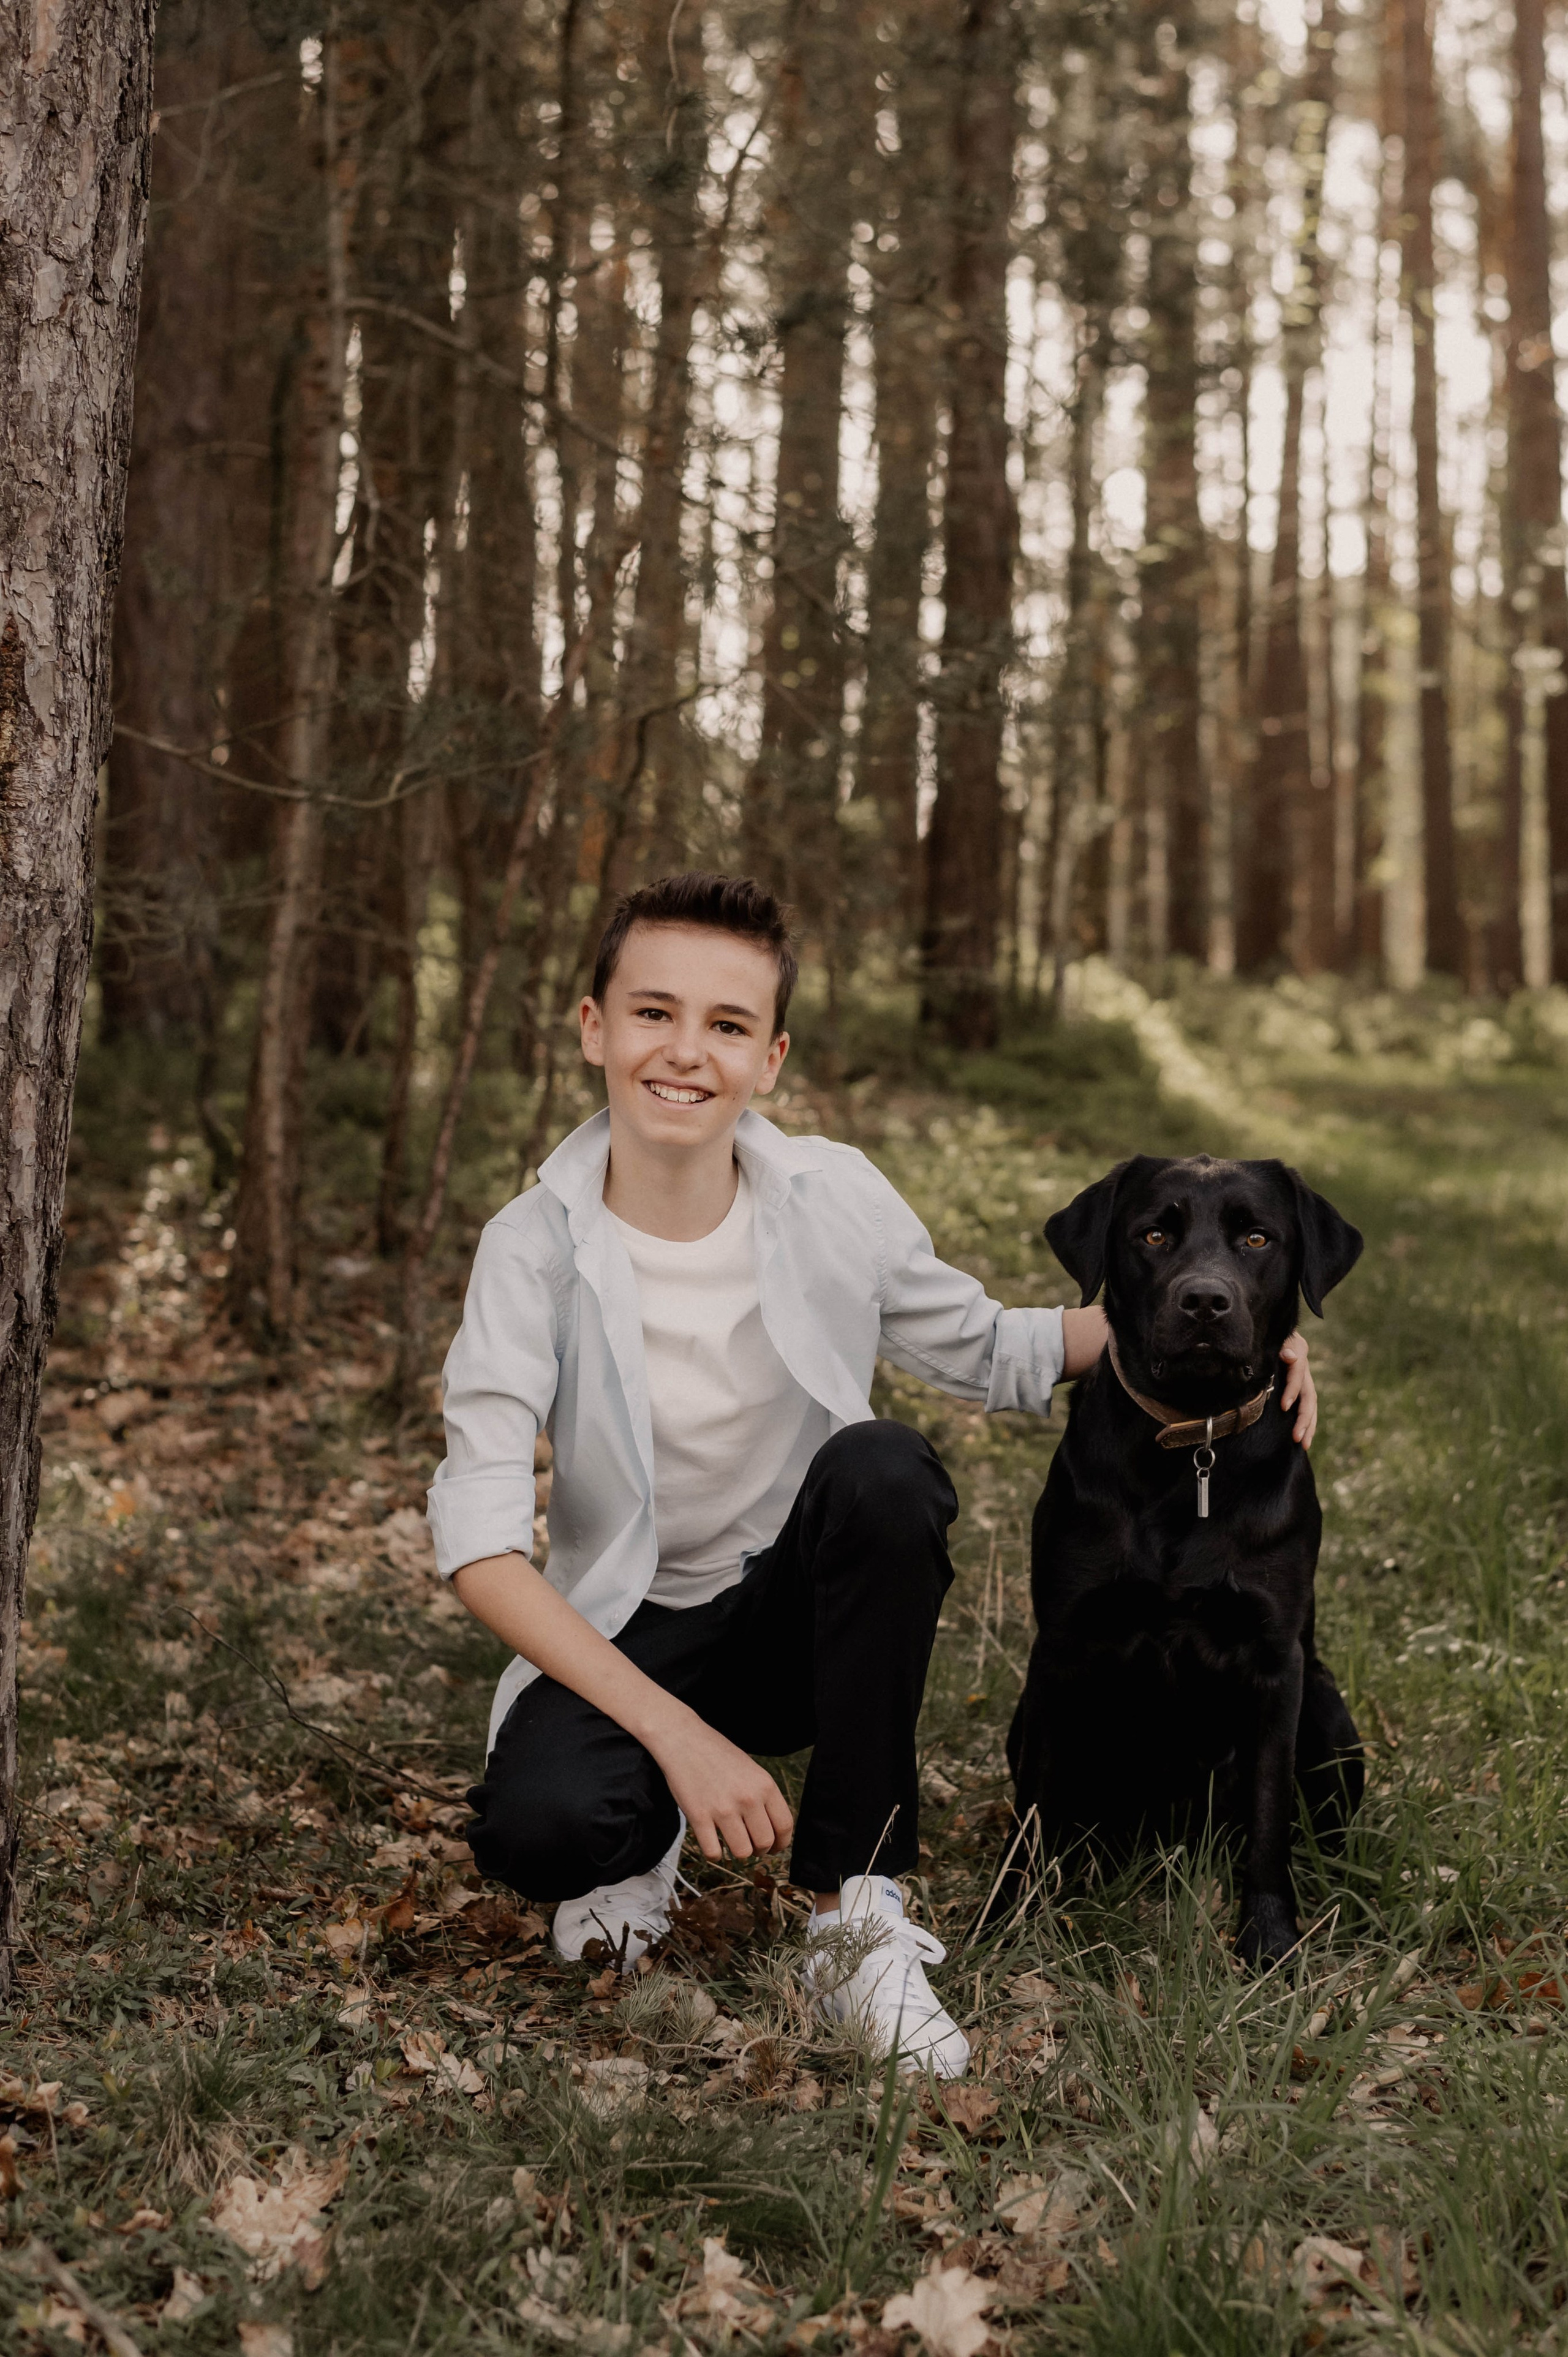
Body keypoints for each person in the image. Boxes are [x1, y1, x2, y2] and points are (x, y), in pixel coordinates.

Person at [428, 872, 1318, 2078]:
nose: (685, 1052)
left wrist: (1235, 1337)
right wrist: (676, 1736)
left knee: (883, 1469)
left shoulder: (829, 1197)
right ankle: (637, 1837)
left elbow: (994, 1346)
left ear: (771, 1058)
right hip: (628, 1634)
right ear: (593, 1029)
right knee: (541, 1830)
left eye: (727, 1025)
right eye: (652, 1013)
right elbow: (480, 1547)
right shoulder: (528, 1249)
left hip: (808, 1624)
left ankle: (854, 1914)